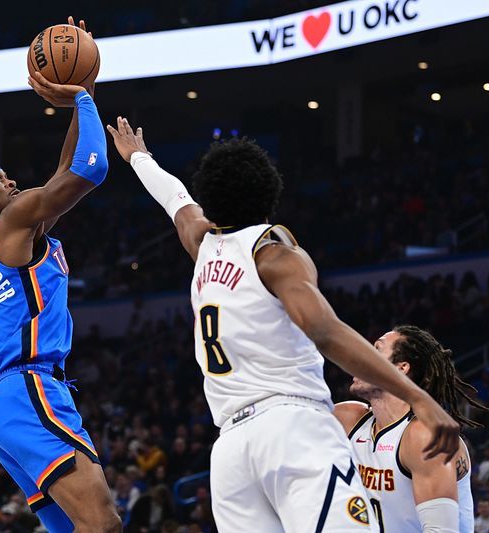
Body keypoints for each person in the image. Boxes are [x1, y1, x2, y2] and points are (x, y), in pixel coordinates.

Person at [107, 118, 459, 532]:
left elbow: (175, 198)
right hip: (293, 429)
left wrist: (138, 158)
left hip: (231, 452)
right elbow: (325, 331)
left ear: (211, 195)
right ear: (269, 192)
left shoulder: (200, 243)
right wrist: (418, 397)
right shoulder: (274, 254)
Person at [0, 17, 118, 533]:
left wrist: (81, 89)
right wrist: (85, 103)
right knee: (104, 523)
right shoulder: (10, 222)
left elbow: (64, 171)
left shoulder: (9, 233)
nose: (13, 179)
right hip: (28, 388)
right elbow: (91, 168)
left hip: (10, 399)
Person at [333, 326, 484, 532]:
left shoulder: (423, 437)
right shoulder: (348, 420)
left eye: (376, 350)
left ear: (401, 368)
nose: (361, 356)